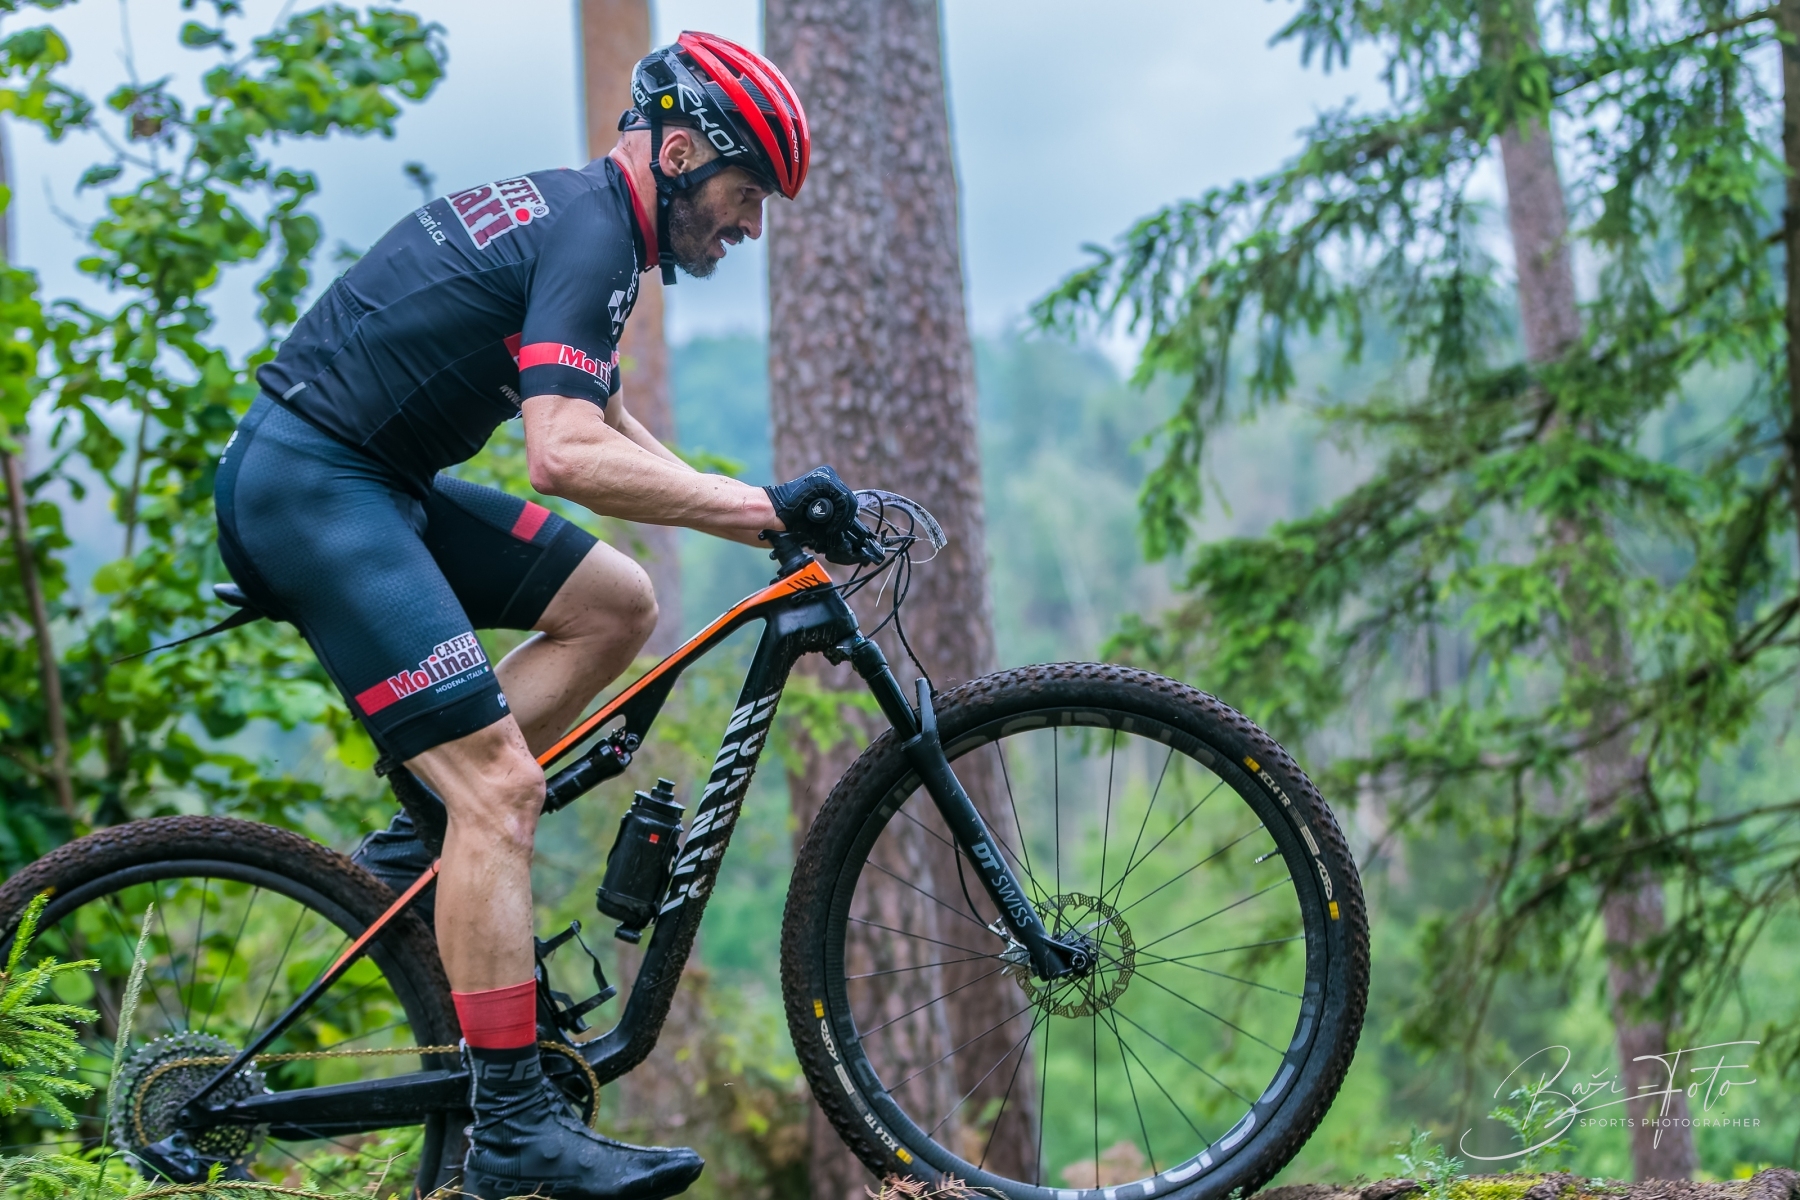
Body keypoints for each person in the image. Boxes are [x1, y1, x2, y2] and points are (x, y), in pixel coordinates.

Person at [213, 32, 875, 1200]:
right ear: (681, 153)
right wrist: (756, 505)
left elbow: (600, 410)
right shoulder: (593, 232)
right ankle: (512, 1125)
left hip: (369, 483)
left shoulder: (588, 224)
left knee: (617, 601)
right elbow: (561, 455)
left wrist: (753, 513)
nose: (751, 225)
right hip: (313, 491)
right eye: (747, 192)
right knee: (503, 791)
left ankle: (428, 834)